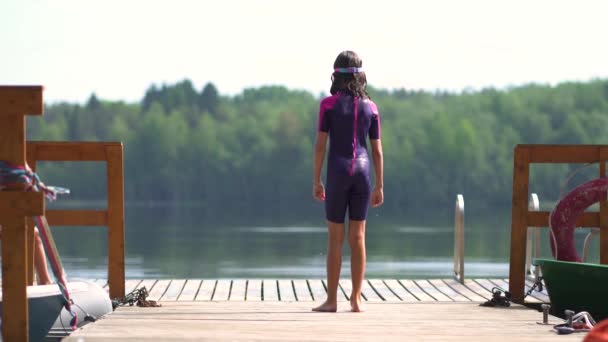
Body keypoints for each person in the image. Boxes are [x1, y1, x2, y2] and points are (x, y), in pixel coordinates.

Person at [312, 51, 384, 312]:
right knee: (359, 237)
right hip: (363, 173)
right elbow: (377, 150)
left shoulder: (328, 105)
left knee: (335, 238)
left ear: (336, 75)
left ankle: (331, 301)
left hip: (338, 171)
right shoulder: (372, 107)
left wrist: (316, 180)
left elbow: (320, 146)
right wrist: (379, 185)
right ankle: (355, 299)